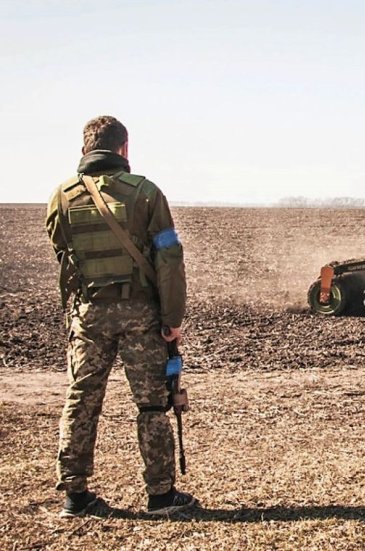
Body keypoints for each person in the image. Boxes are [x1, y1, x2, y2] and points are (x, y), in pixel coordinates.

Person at [45, 116, 197, 517]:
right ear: (124, 149)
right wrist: (172, 317)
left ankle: (75, 495)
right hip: (139, 316)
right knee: (151, 405)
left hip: (88, 314)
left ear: (85, 150)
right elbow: (169, 258)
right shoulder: (146, 194)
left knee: (81, 399)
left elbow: (64, 258)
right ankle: (161, 495)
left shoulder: (60, 198)